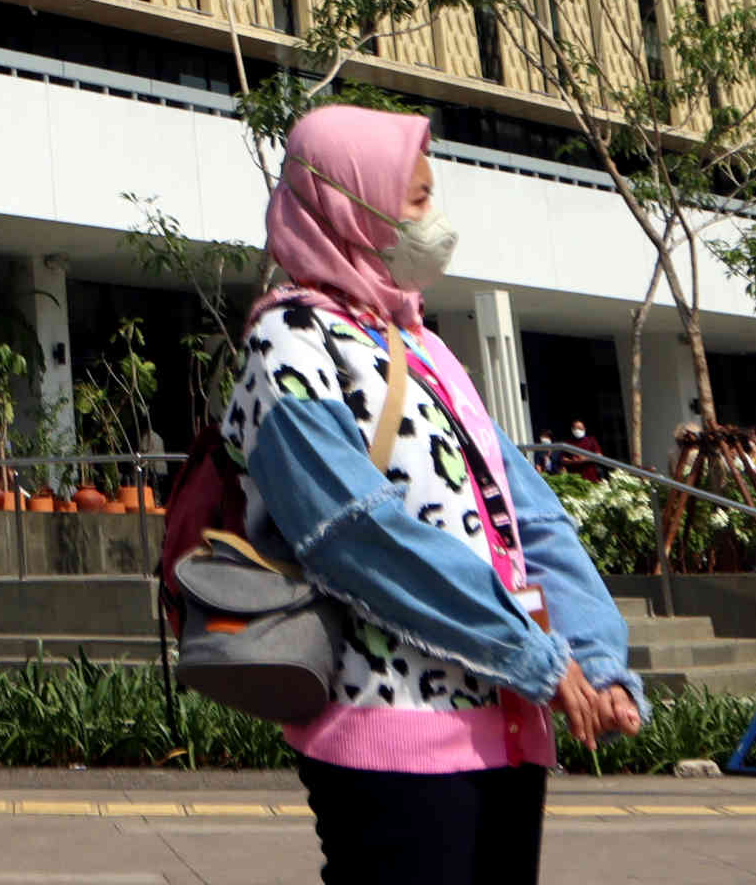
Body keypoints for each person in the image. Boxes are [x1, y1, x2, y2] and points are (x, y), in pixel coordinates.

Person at [218, 107, 644, 883]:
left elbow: (531, 517)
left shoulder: (421, 343)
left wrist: (597, 657)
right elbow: (355, 536)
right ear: (352, 203)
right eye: (414, 199)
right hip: (389, 731)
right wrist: (533, 656)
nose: (433, 217)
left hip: (506, 722)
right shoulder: (289, 344)